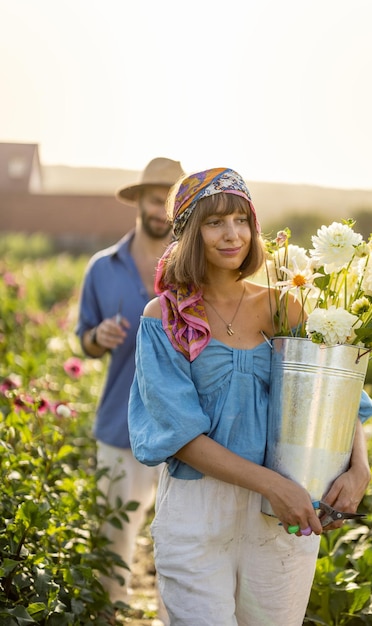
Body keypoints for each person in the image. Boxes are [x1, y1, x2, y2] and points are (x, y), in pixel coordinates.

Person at [128, 167, 372, 626]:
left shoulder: (287, 306)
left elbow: (337, 398)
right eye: (214, 222)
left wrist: (360, 468)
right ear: (188, 233)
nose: (232, 235)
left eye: (242, 220)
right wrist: (271, 484)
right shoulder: (163, 318)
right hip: (199, 507)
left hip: (283, 510)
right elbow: (179, 433)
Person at [76, 157, 184, 612]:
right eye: (156, 199)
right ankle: (108, 614)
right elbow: (84, 341)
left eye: (172, 201)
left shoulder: (193, 270)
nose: (163, 210)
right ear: (138, 200)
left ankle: (172, 618)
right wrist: (97, 337)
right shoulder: (102, 268)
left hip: (182, 430)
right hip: (119, 424)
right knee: (113, 539)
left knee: (181, 542)